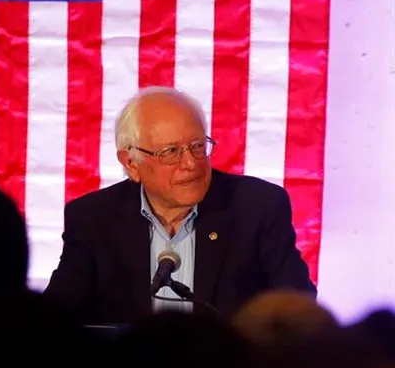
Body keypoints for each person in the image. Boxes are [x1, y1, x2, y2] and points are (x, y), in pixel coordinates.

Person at [44, 86, 315, 324]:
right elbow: (55, 320)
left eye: (198, 146)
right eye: (171, 152)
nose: (191, 164)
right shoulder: (94, 219)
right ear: (131, 163)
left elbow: (299, 311)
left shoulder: (257, 208)